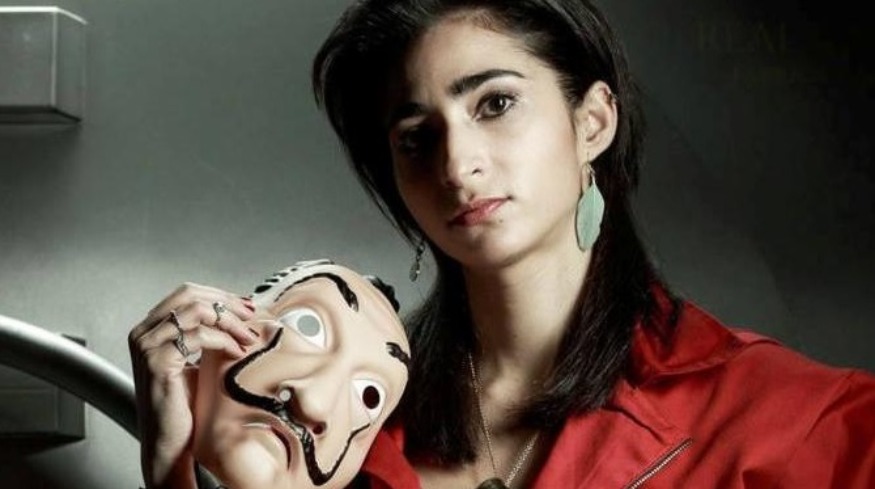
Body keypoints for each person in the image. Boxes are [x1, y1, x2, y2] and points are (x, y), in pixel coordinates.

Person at [129, 1, 875, 488]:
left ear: (592, 122)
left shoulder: (807, 421)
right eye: (416, 137)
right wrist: (172, 465)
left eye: (496, 103)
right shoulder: (346, 428)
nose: (458, 164)